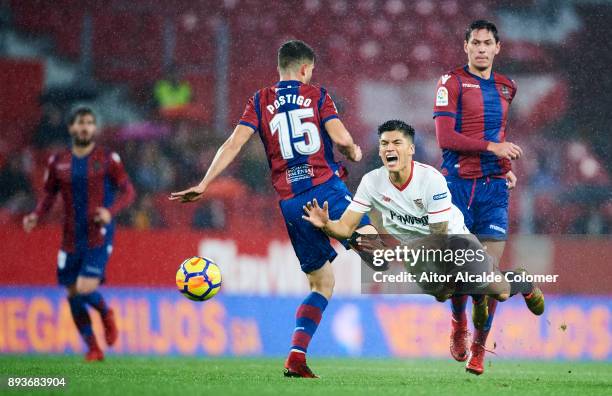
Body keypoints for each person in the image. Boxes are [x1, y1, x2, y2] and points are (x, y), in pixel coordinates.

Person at [170, 40, 373, 378]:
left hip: (293, 204)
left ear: (280, 68)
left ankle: (296, 355)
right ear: (306, 69)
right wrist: (351, 149)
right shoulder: (317, 95)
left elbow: (234, 142)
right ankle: (448, 288)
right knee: (379, 253)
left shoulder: (260, 100)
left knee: (321, 285)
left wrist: (204, 183)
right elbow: (339, 137)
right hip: (326, 190)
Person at [301, 120, 544, 366]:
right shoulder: (371, 182)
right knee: (441, 292)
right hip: (419, 251)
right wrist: (327, 225)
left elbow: (440, 238)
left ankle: (522, 282)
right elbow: (345, 227)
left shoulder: (431, 180)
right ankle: (461, 316)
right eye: (384, 143)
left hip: (454, 242)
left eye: (397, 143)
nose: (389, 148)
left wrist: (401, 252)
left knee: (500, 292)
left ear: (411, 149)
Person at [432, 20, 531, 374]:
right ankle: (459, 323)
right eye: (475, 43)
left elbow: (497, 131)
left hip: (492, 189)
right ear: (466, 46)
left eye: (487, 43)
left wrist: (503, 164)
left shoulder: (507, 87)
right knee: (459, 274)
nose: (481, 49)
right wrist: (494, 148)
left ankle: (478, 348)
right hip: (457, 187)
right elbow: (446, 137)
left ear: (497, 47)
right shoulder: (451, 82)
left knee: (485, 276)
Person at [23, 107, 136, 361]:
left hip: (98, 233)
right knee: (73, 293)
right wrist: (35, 216)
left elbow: (128, 192)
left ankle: (106, 314)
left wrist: (110, 211)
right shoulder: (58, 161)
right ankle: (93, 348)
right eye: (80, 123)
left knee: (85, 289)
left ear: (94, 129)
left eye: (89, 123)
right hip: (71, 236)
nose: (85, 127)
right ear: (71, 128)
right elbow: (49, 195)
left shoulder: (108, 159)